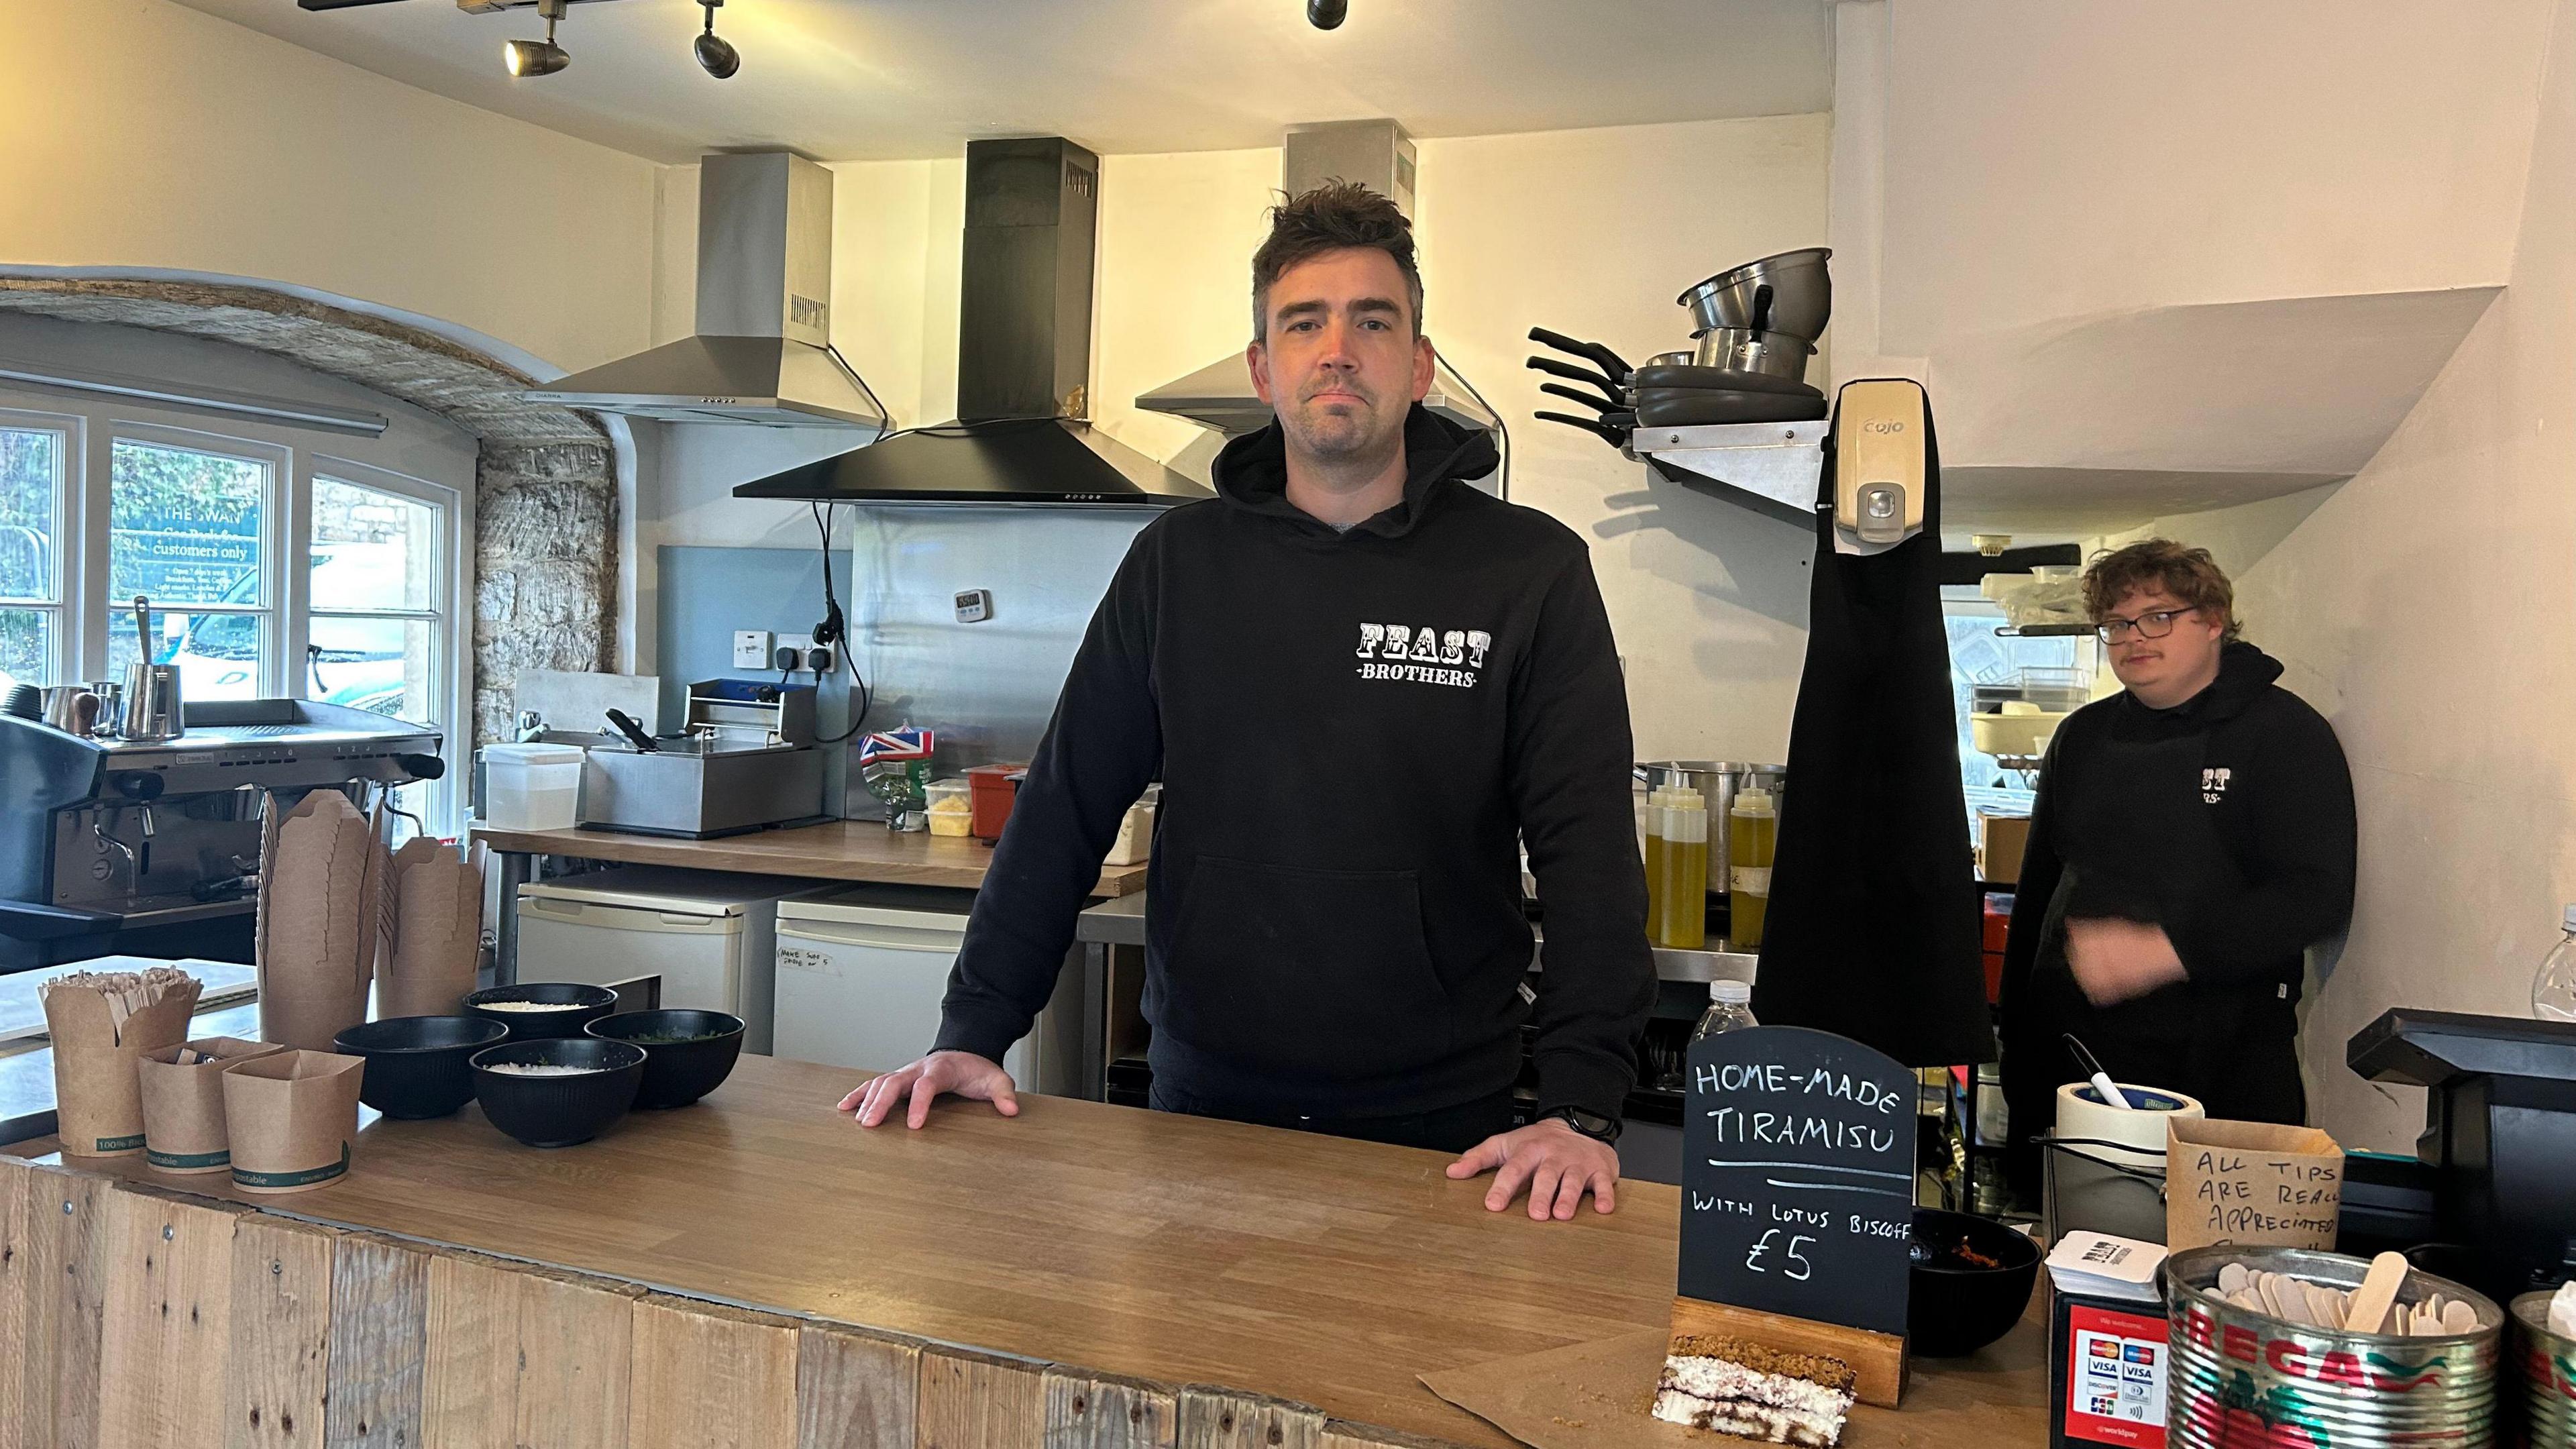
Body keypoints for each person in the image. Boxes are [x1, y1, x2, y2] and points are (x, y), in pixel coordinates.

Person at [841, 182, 1657, 1222]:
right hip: (1202, 1107)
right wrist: (972, 1031)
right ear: (1264, 369)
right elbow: (1065, 807)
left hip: (1446, 1129)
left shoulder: (1530, 571)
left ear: (1419, 365)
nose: (1338, 349)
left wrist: (1581, 1106)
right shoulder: (1175, 565)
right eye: (1303, 323)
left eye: (1374, 321)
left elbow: (1589, 852)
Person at [2000, 541, 2356, 1197]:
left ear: (2214, 619)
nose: (2134, 637)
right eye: (2116, 624)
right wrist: (2016, 1047)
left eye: (2158, 616)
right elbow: (2041, 893)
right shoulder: (2082, 737)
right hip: (2079, 1058)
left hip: (2224, 1064)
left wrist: (2167, 949)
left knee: (2209, 1262)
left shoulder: (2284, 734)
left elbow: (2316, 895)